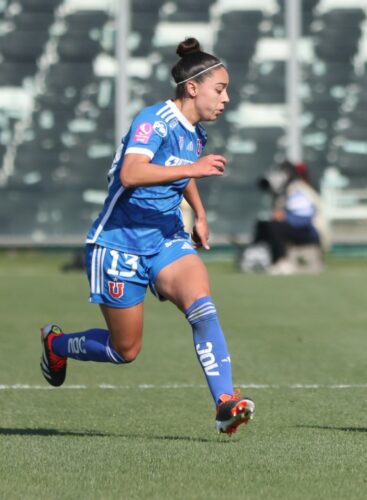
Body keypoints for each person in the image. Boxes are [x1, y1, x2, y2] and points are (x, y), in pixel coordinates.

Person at [39, 38, 255, 434]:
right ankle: (55, 346)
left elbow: (183, 170)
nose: (226, 99)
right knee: (126, 351)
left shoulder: (195, 133)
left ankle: (225, 403)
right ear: (193, 88)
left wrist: (201, 214)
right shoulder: (154, 121)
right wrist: (197, 168)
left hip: (166, 238)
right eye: (220, 90)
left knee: (202, 308)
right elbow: (132, 173)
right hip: (118, 244)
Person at [253, 161, 324, 274]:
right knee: (264, 225)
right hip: (297, 229)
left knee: (275, 226)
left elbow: (305, 216)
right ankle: (257, 257)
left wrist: (286, 217)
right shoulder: (283, 192)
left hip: (307, 231)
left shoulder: (297, 188)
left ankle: (283, 261)